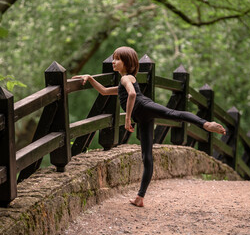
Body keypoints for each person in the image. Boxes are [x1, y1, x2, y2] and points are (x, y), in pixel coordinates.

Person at [72, 46, 226, 207]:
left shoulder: (126, 79)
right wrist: (89, 78)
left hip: (144, 108)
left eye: (117, 59)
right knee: (147, 156)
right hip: (144, 117)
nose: (113, 61)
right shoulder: (124, 80)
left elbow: (132, 94)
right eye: (114, 58)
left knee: (174, 115)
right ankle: (140, 198)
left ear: (127, 63)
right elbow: (103, 91)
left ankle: (206, 124)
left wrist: (128, 118)